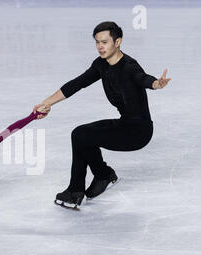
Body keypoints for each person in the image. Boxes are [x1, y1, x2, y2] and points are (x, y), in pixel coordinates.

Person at [33, 21, 171, 209]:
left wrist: (156, 84)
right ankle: (102, 175)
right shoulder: (101, 65)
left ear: (118, 41)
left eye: (105, 42)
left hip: (139, 132)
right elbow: (77, 83)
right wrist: (46, 103)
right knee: (79, 134)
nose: (100, 47)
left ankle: (78, 190)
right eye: (97, 42)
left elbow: (143, 78)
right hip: (124, 124)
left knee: (82, 136)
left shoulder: (129, 66)